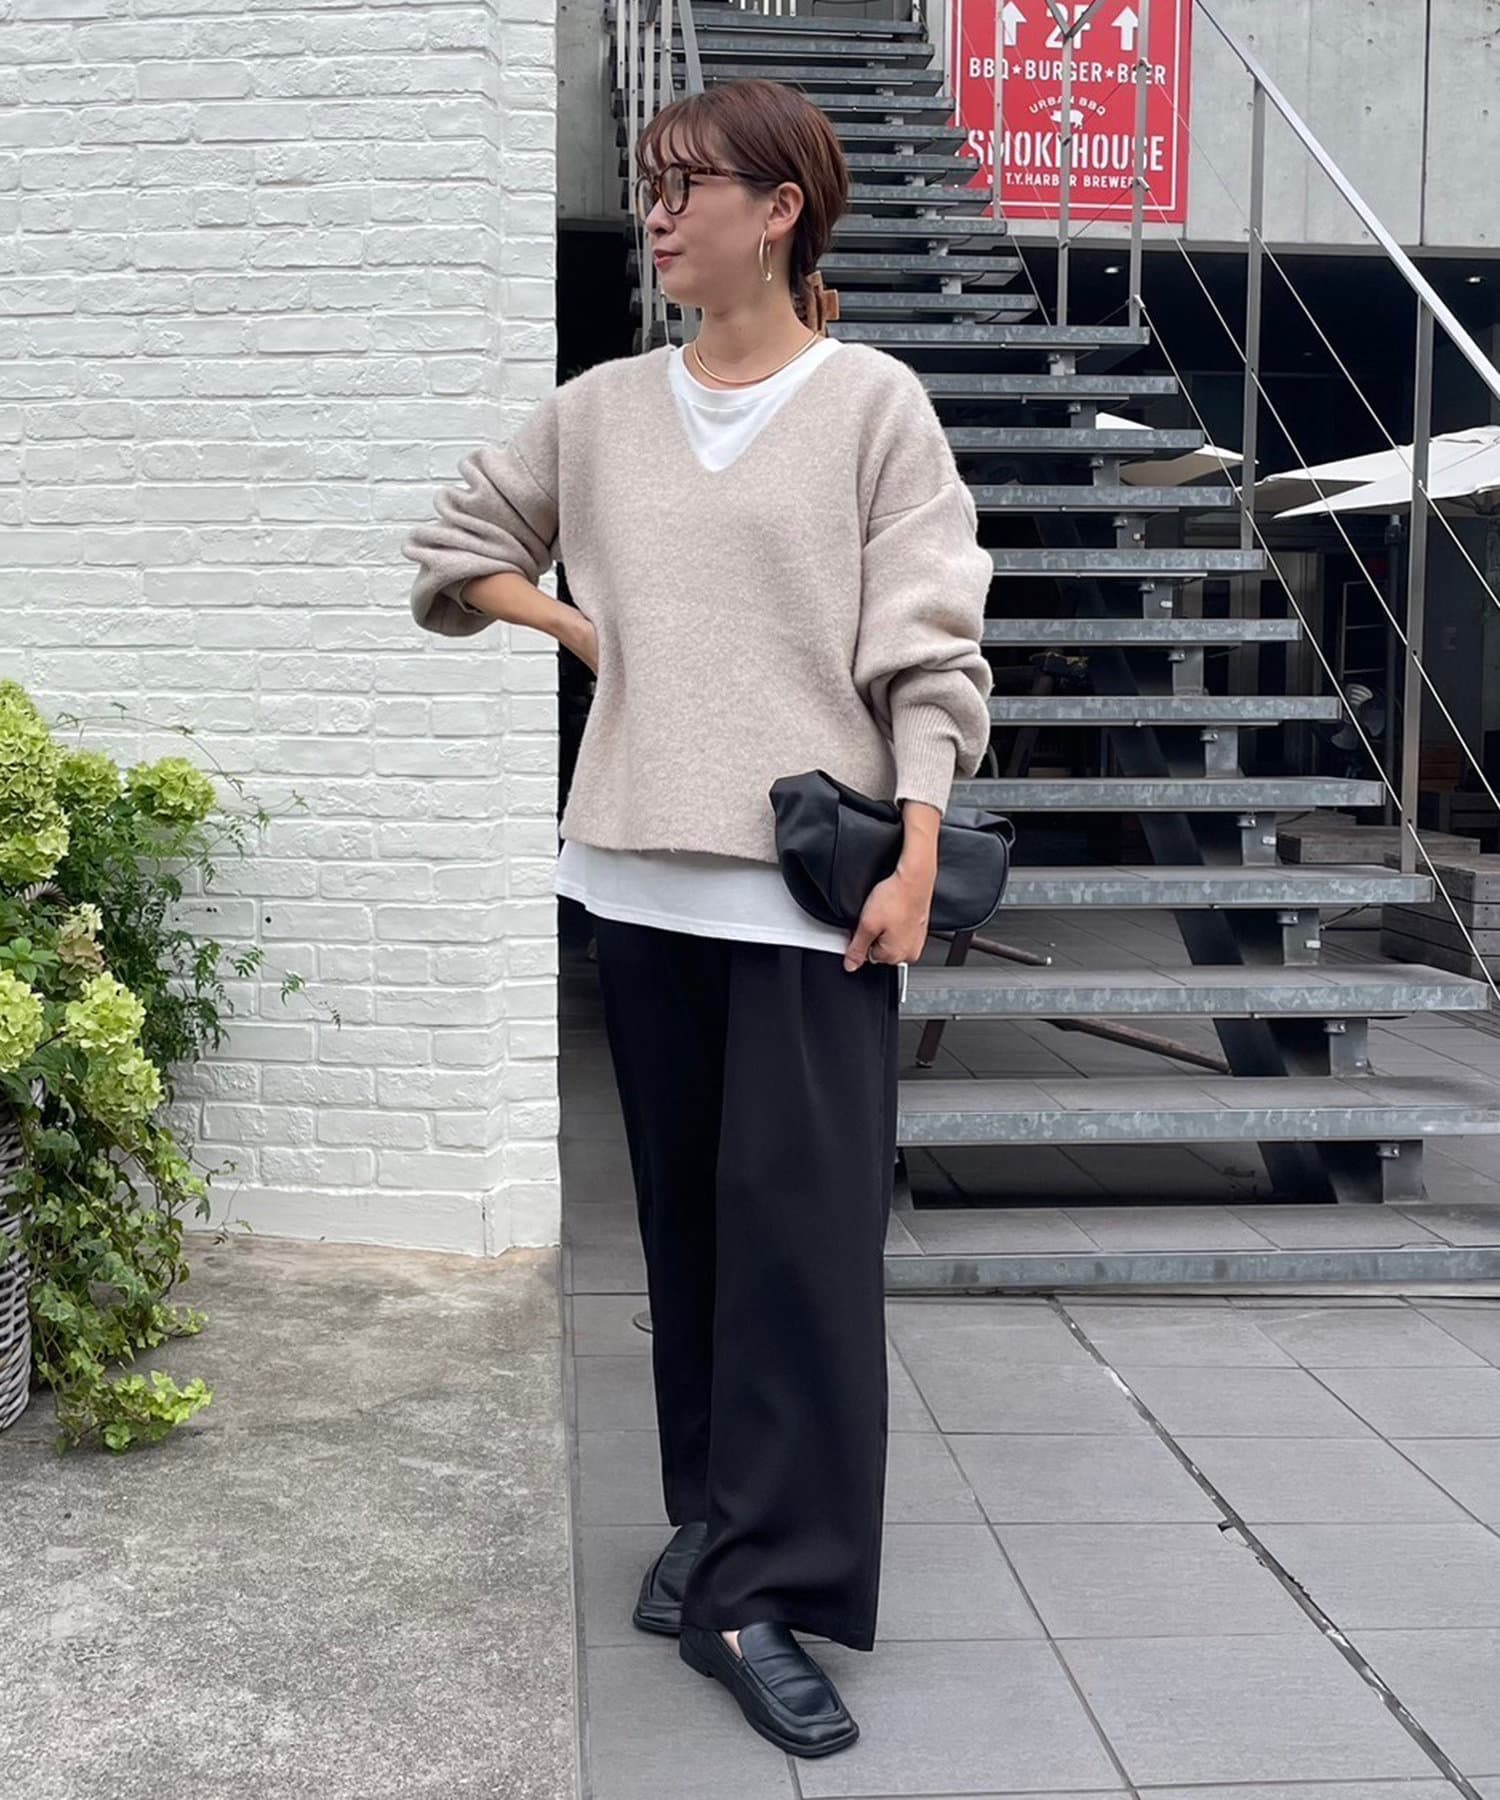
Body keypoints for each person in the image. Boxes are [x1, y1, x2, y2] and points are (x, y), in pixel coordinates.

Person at [403, 76, 994, 1760]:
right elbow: (454, 545)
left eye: (688, 188)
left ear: (780, 210)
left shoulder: (872, 403)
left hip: (810, 895)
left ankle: (757, 1589)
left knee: (803, 1257)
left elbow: (931, 647)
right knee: (691, 1241)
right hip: (637, 881)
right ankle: (718, 1533)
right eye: (650, 188)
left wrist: (920, 849)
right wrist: (588, 634)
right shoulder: (602, 410)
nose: (658, 215)